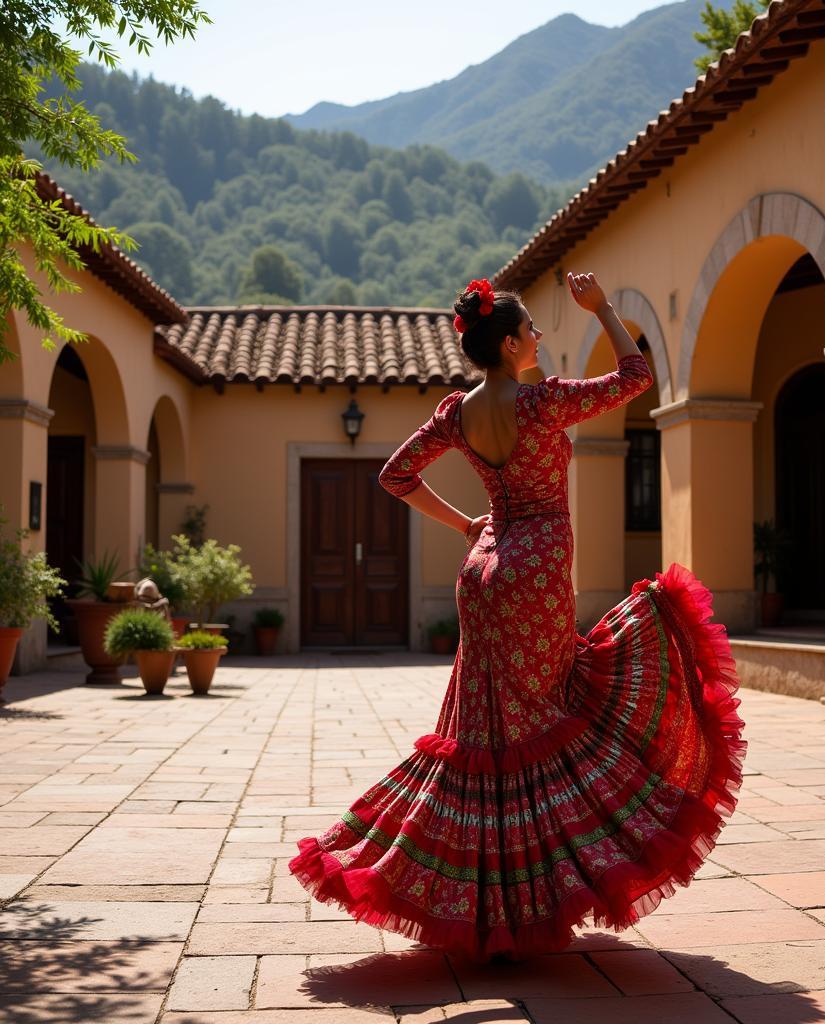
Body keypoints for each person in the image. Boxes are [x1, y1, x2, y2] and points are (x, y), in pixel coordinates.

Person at [289, 272, 746, 962]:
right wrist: (605, 310)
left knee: (486, 731)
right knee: (546, 719)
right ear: (508, 344)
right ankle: (537, 892)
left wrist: (464, 523)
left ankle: (482, 900)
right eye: (531, 328)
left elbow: (395, 474)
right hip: (533, 569)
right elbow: (635, 377)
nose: (538, 336)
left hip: (484, 569)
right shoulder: (542, 402)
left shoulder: (459, 412)